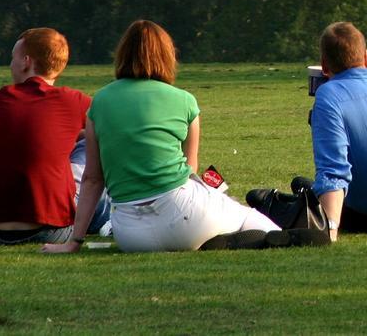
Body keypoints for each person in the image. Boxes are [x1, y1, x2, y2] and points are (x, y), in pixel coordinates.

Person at [42, 20, 279, 253]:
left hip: (130, 234)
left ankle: (219, 238)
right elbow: (190, 167)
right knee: (257, 224)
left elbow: (93, 179)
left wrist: (75, 242)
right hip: (185, 216)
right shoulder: (184, 100)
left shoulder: (100, 102)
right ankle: (243, 236)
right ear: (167, 56)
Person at [249, 22, 367, 240]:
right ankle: (313, 194)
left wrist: (328, 228)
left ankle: (308, 201)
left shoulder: (328, 97)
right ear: (366, 58)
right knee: (311, 184)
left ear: (324, 66)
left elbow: (333, 169)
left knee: (258, 200)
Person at [0, 28, 111, 245]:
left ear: (26, 61)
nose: (10, 65)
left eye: (13, 58)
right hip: (53, 231)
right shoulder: (74, 101)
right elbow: (106, 132)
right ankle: (103, 216)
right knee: (87, 144)